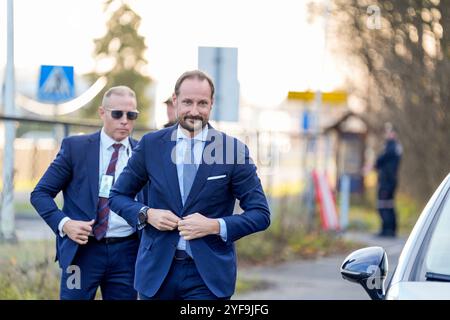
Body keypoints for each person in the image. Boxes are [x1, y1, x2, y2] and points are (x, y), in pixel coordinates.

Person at [109, 70, 271, 300]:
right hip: (156, 275)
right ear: (175, 101)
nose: (194, 111)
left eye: (202, 103)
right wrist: (147, 213)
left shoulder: (232, 151)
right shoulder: (151, 145)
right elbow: (117, 196)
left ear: (212, 104)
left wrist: (215, 225)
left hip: (207, 278)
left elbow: (261, 214)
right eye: (187, 102)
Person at [30, 86, 147, 300]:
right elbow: (40, 193)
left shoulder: (143, 153)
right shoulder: (76, 148)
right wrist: (65, 224)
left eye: (131, 115)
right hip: (82, 252)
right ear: (102, 113)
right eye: (117, 113)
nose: (125, 120)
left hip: (127, 254)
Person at [374, 122, 402, 237]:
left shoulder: (392, 146)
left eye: (389, 132)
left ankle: (388, 229)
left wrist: (377, 162)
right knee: (387, 205)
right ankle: (388, 228)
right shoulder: (392, 146)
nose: (387, 134)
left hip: (388, 181)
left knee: (385, 205)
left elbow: (381, 159)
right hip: (388, 180)